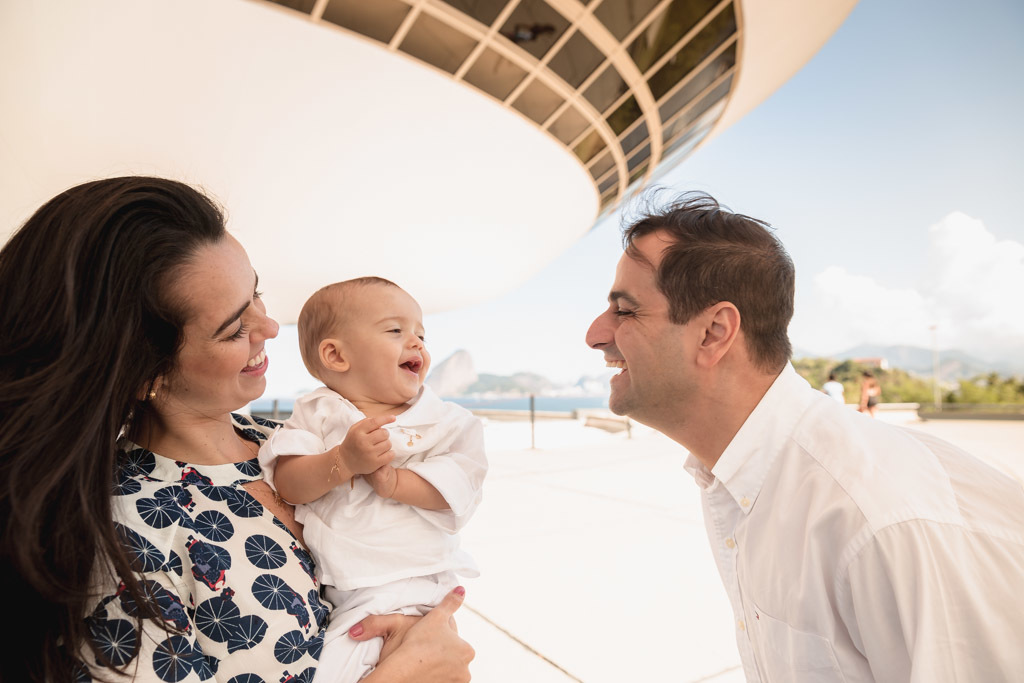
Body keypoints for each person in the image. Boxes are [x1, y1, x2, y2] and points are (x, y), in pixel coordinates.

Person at [0, 177, 474, 683]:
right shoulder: (122, 545)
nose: (270, 328)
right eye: (233, 328)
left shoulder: (287, 435)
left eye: (257, 294)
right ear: (144, 373)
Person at [585, 192, 1024, 681]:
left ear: (713, 332)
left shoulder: (876, 520)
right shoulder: (742, 481)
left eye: (625, 311)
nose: (595, 334)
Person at [258, 277, 486, 682]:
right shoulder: (318, 413)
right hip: (353, 592)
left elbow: (461, 484)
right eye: (396, 330)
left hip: (420, 582)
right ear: (336, 355)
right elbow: (289, 482)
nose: (416, 342)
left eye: (420, 333)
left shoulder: (443, 419)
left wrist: (396, 483)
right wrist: (341, 460)